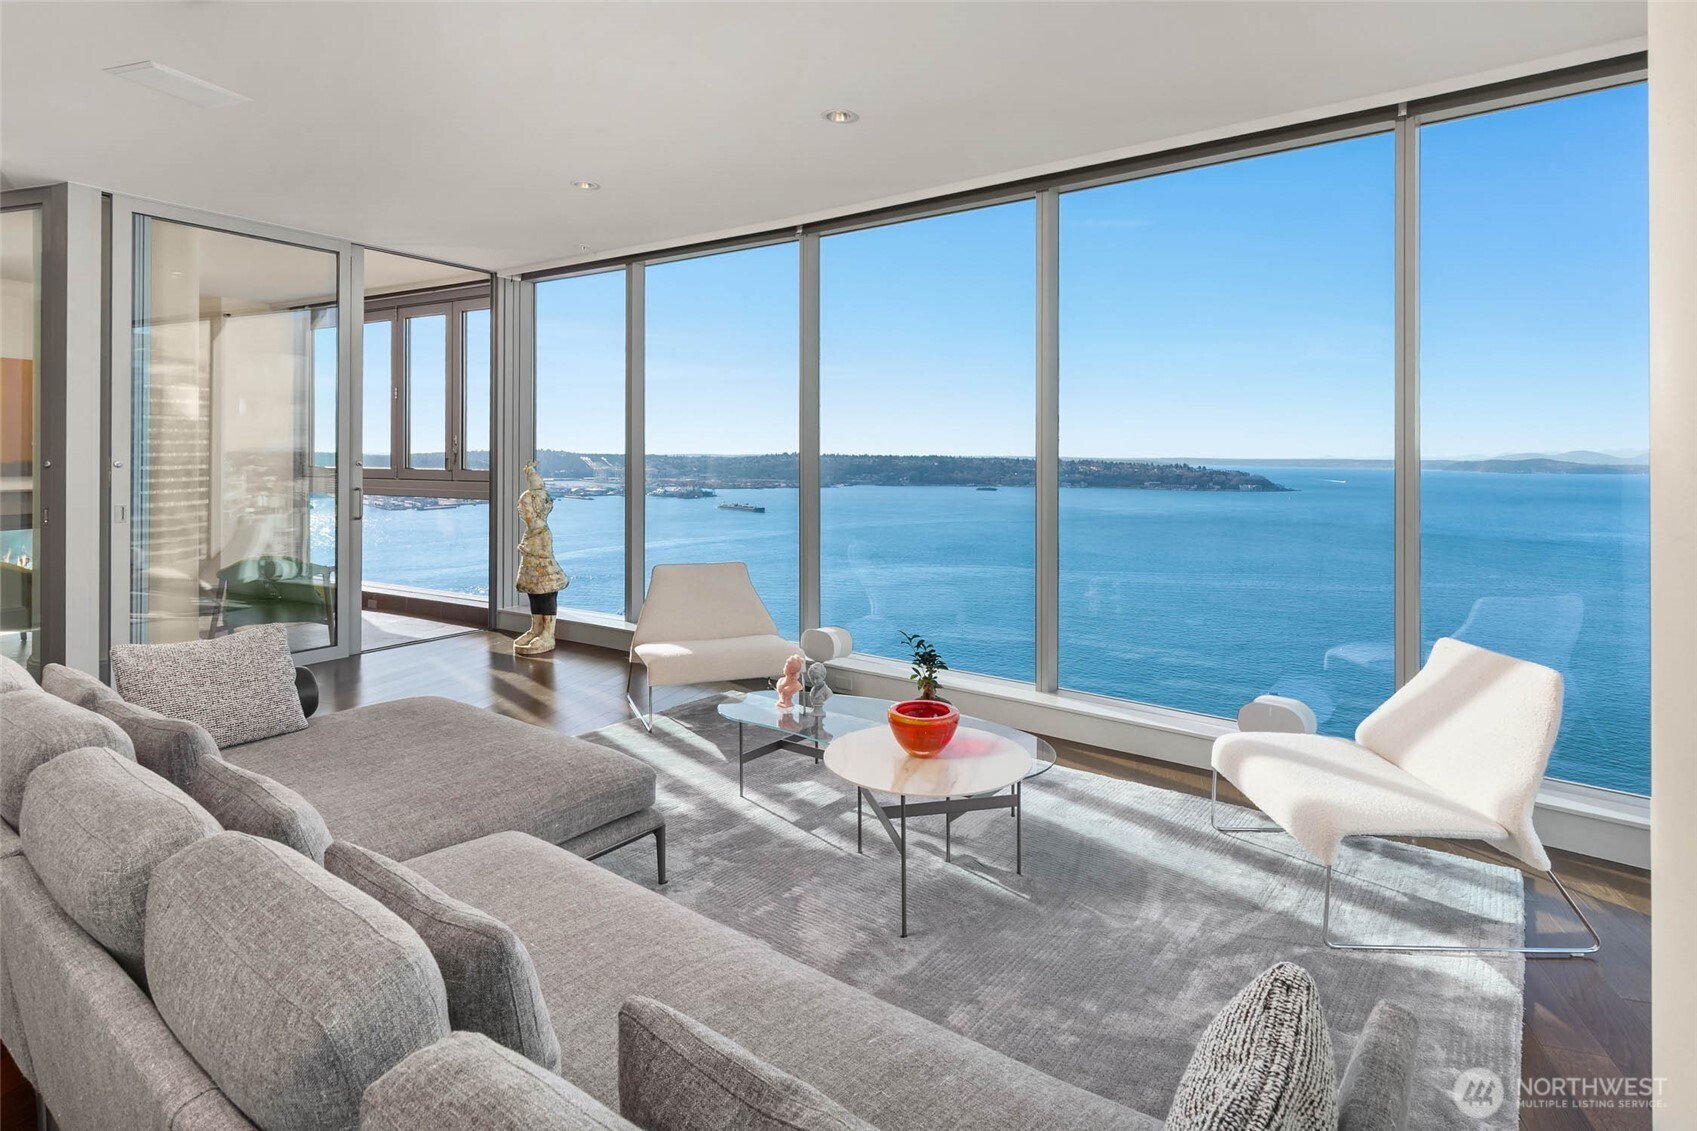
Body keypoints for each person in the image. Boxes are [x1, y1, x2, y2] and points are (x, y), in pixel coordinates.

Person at [514, 460, 569, 655]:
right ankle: (536, 628)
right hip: (532, 572)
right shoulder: (531, 531)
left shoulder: (542, 531)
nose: (521, 511)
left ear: (537, 508)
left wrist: (528, 550)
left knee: (546, 598)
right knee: (534, 597)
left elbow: (543, 551)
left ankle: (547, 633)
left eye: (525, 507)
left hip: (544, 574)